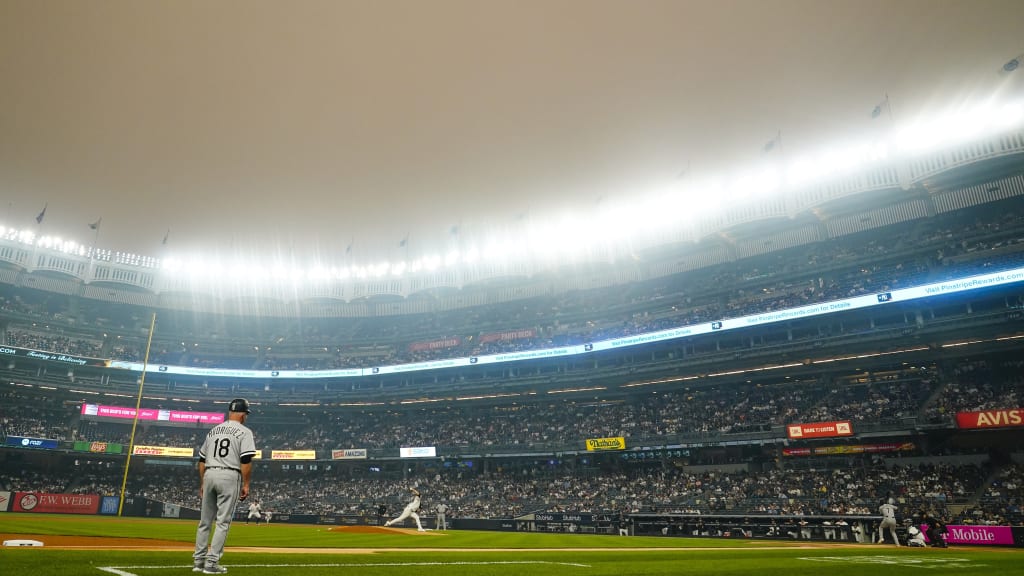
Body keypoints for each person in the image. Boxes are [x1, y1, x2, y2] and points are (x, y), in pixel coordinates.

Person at [193, 398, 257, 574]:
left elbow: (201, 460)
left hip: (209, 474)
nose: (246, 417)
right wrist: (246, 484)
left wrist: (202, 482)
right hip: (229, 475)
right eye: (246, 414)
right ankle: (211, 563)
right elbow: (246, 460)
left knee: (204, 521)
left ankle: (198, 561)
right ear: (243, 414)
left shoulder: (214, 430)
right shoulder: (245, 432)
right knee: (223, 522)